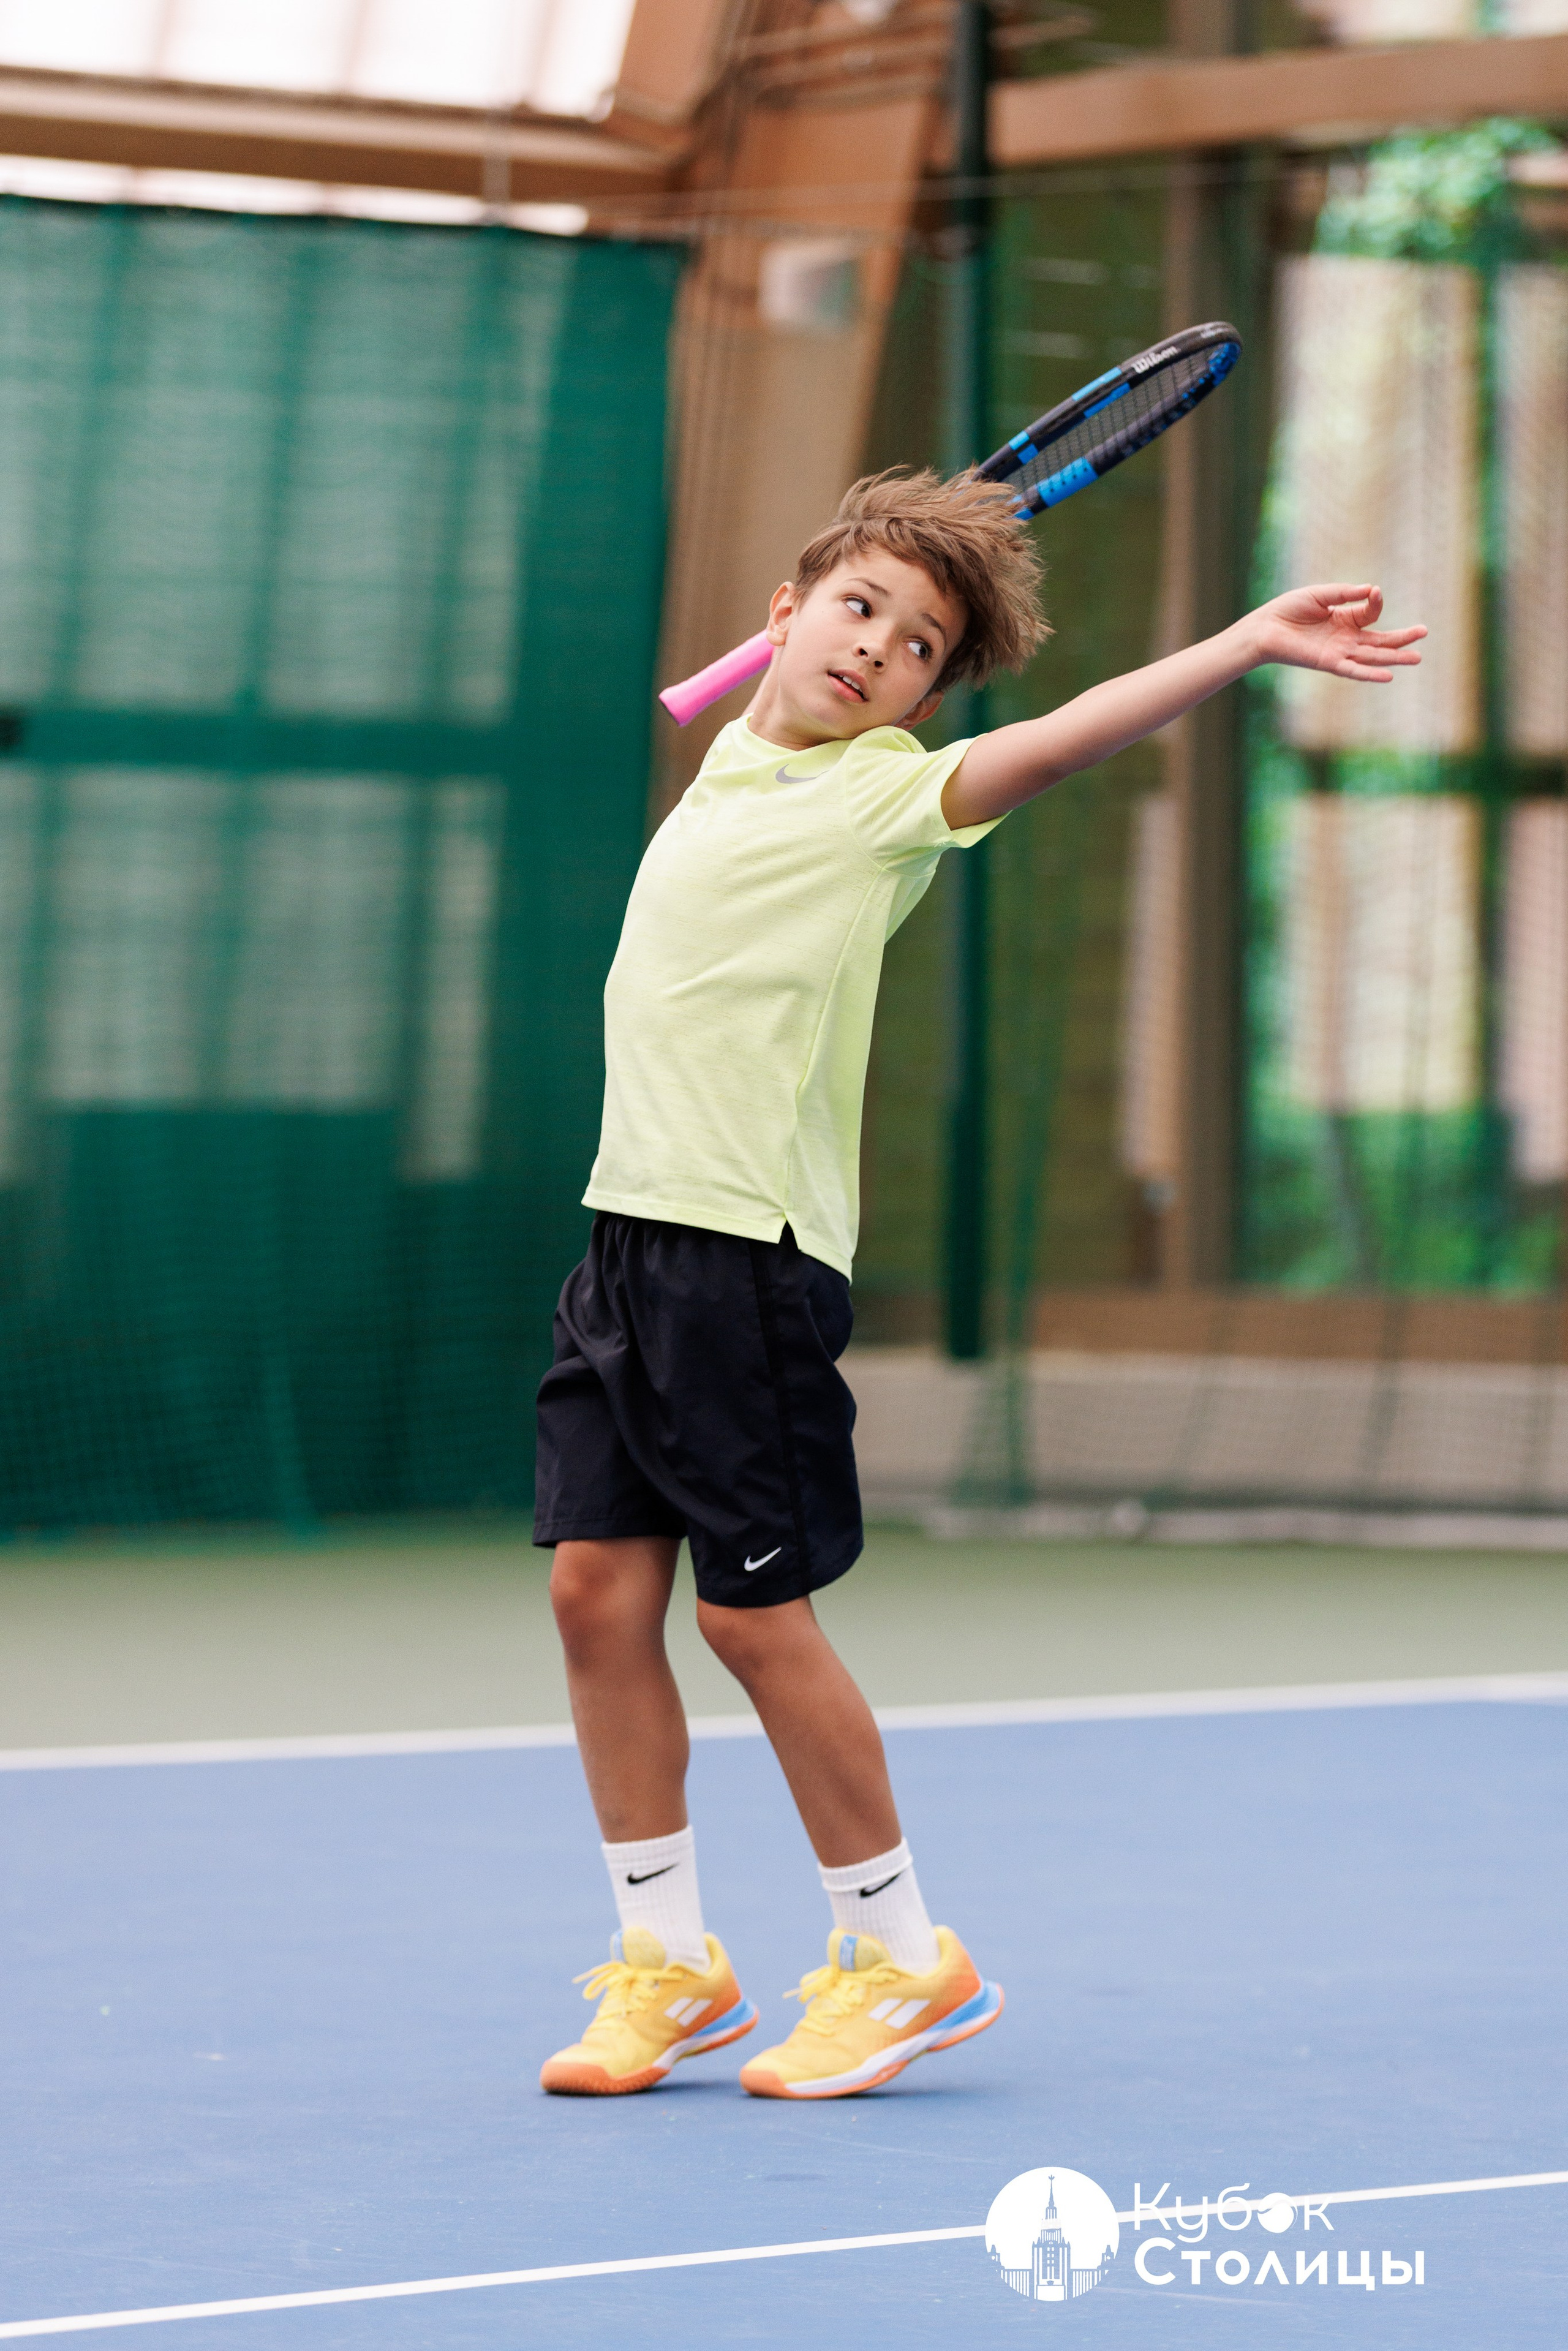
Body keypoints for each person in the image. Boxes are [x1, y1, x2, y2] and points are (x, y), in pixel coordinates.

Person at [532, 467, 1423, 2100]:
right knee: (594, 1597)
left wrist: (1241, 641)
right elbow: (824, 634)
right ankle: (666, 1961)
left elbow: (1064, 735)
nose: (880, 649)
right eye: (856, 609)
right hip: (624, 1246)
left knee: (750, 1623)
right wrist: (854, 585)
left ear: (931, 702)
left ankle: (899, 1953)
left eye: (921, 646)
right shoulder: (738, 756)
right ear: (783, 620)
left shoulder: (882, 803)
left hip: (747, 1267)